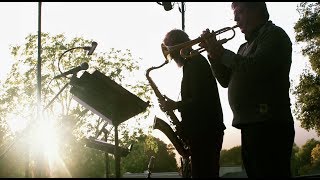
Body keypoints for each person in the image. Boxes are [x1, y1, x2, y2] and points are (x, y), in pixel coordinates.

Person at [199, 2, 295, 178]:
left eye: (240, 12)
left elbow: (256, 69)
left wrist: (221, 53)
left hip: (270, 124)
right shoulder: (243, 48)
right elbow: (225, 80)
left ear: (257, 9)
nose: (235, 19)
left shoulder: (274, 35)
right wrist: (213, 56)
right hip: (251, 124)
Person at [160, 29, 226, 178]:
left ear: (177, 47)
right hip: (202, 132)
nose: (169, 55)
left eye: (170, 49)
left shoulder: (196, 63)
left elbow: (201, 101)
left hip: (206, 133)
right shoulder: (191, 63)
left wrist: (175, 105)